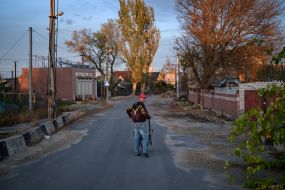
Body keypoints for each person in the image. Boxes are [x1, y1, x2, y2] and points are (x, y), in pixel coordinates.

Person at [127, 93, 151, 158]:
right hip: (141, 123)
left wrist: (131, 117)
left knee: (136, 137)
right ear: (139, 98)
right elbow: (144, 113)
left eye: (144, 98)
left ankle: (136, 152)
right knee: (145, 136)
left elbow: (128, 110)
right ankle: (145, 151)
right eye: (143, 98)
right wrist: (148, 117)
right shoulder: (141, 106)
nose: (144, 99)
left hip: (135, 123)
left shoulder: (134, 104)